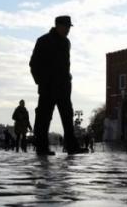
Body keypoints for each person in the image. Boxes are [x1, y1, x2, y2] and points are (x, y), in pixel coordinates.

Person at [30, 16, 88, 156]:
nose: (68, 30)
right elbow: (34, 64)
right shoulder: (43, 40)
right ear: (58, 25)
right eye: (66, 27)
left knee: (67, 117)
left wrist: (68, 78)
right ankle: (42, 147)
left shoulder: (66, 42)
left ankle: (72, 147)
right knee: (44, 118)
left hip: (63, 87)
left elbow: (65, 65)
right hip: (48, 87)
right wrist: (41, 81)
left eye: (69, 27)